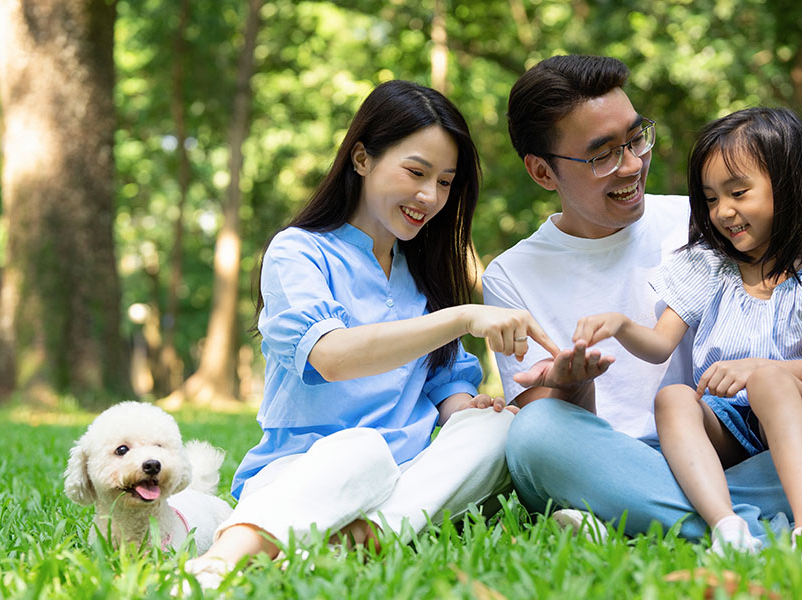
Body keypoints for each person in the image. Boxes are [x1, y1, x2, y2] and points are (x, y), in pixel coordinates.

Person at [484, 55, 802, 554]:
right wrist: (575, 388)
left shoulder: (704, 222)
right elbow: (550, 420)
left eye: (636, 137)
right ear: (542, 171)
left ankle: (645, 523)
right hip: (613, 460)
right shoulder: (510, 275)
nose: (632, 163)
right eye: (602, 154)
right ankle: (799, 533)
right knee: (534, 436)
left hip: (735, 452)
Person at [185, 80, 557, 587]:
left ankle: (359, 539)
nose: (430, 196)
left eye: (446, 182)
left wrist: (468, 408)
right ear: (362, 158)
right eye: (416, 172)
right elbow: (332, 357)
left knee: (499, 430)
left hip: (407, 480)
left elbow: (444, 385)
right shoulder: (298, 251)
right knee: (362, 448)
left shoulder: (426, 272)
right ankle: (222, 561)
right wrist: (464, 317)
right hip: (307, 474)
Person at [573, 107, 802, 561]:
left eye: (738, 193)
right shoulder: (706, 265)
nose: (724, 212)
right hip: (726, 427)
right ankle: (727, 525)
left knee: (773, 382)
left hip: (794, 420)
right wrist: (619, 325)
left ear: (788, 187)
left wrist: (757, 369)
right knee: (673, 397)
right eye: (711, 199)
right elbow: (658, 347)